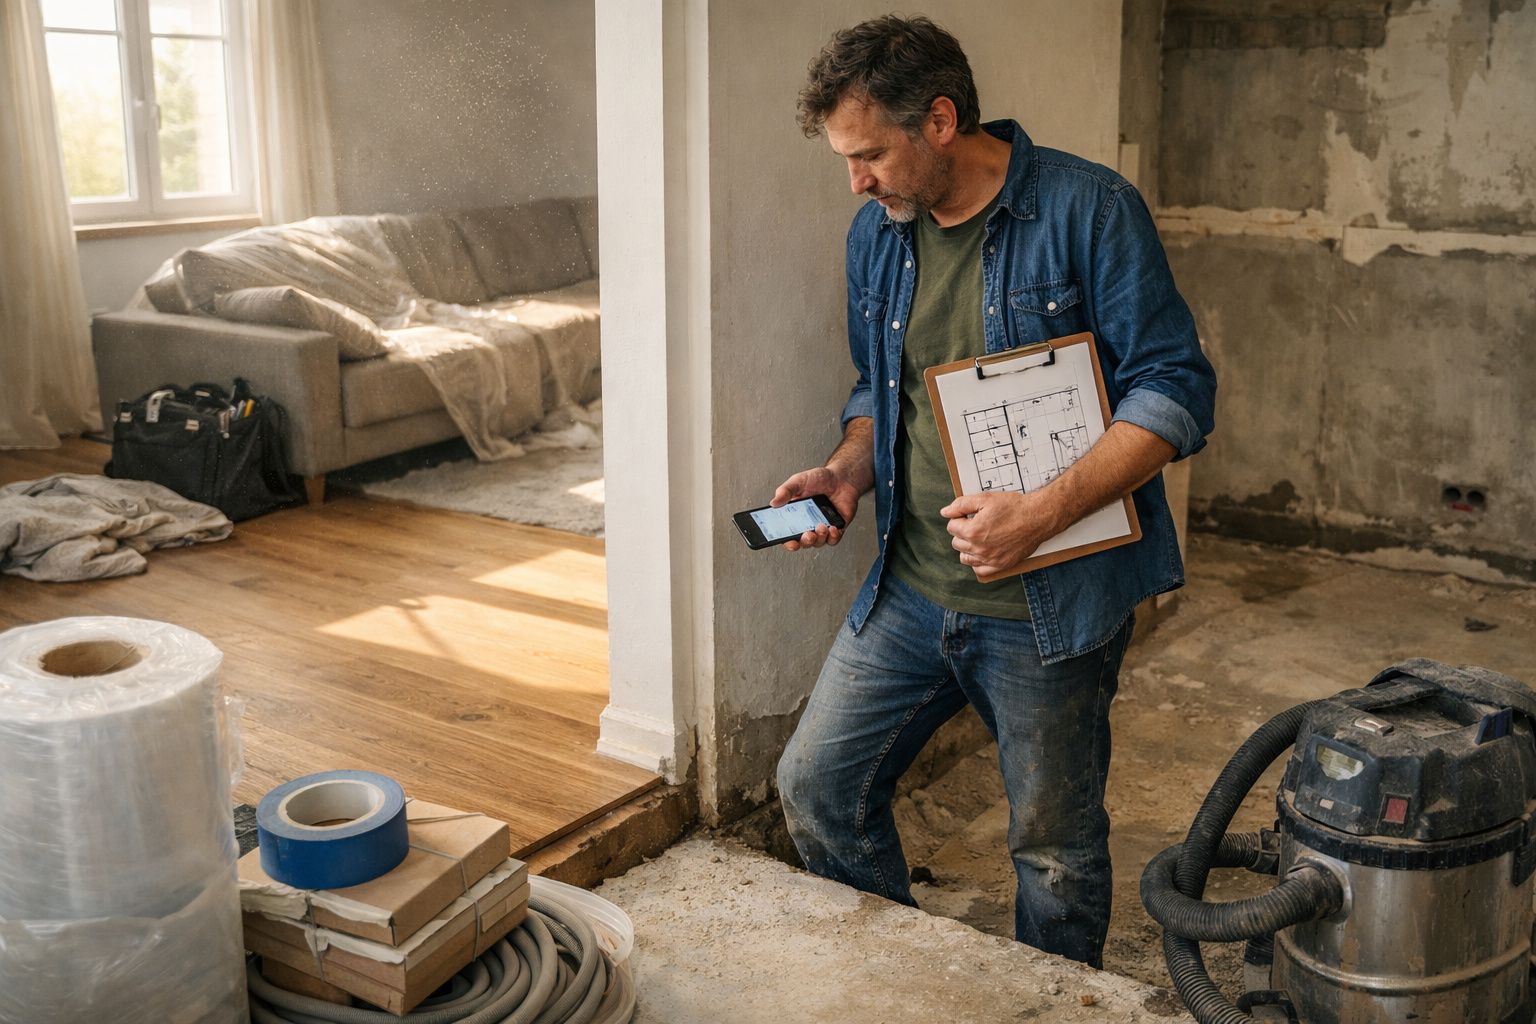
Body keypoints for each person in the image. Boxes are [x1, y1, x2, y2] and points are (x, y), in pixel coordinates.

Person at [772, 15, 1217, 968]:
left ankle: (1048, 1001)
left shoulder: (1091, 210)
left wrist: (1041, 514)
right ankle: (913, 979)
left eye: (869, 155)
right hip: (908, 590)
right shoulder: (877, 234)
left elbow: (1176, 390)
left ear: (940, 121)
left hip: (1049, 606)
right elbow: (879, 389)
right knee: (816, 789)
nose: (856, 182)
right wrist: (847, 472)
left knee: (1054, 854)